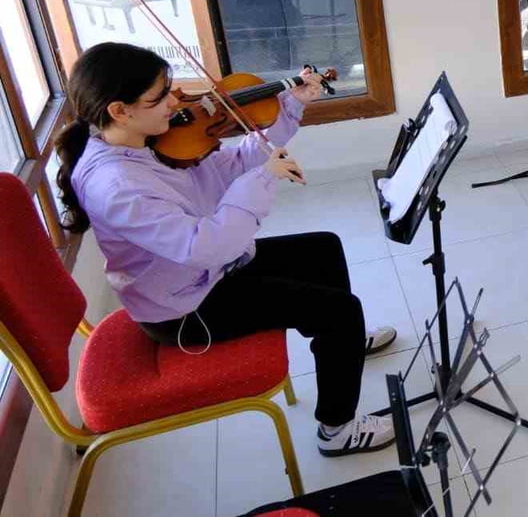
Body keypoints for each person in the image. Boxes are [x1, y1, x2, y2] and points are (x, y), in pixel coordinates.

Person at [56, 42, 399, 457]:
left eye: (170, 89)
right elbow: (208, 246)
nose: (175, 102)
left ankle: (344, 345)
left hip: (197, 276)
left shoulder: (142, 142)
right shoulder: (118, 185)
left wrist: (289, 106)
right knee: (339, 310)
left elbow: (225, 165)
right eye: (159, 96)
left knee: (322, 248)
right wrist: (260, 182)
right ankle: (337, 429)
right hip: (185, 309)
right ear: (119, 110)